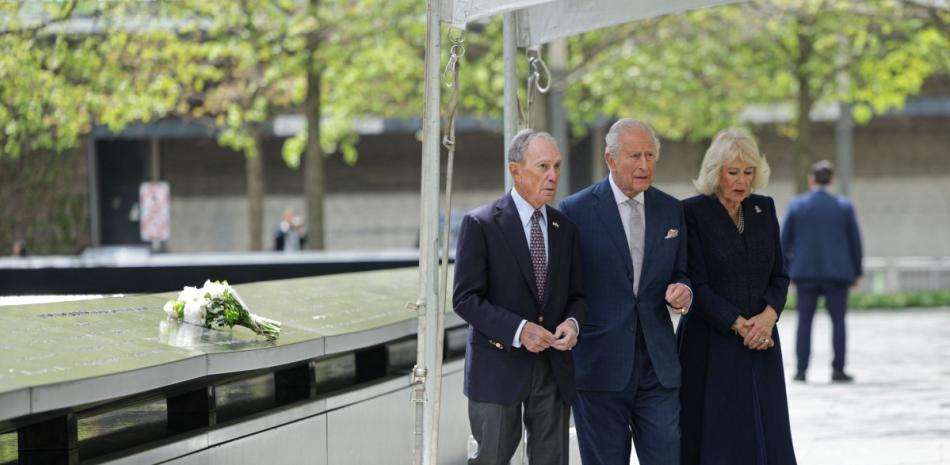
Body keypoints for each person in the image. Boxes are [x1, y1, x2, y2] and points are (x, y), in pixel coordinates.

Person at [559, 119, 691, 465]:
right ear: (611, 159)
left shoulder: (672, 209)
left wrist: (684, 290)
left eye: (650, 155)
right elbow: (566, 287)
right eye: (635, 156)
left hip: (657, 367)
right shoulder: (575, 211)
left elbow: (682, 272)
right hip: (599, 366)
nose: (644, 164)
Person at [453, 129, 586, 465]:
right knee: (492, 459)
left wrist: (572, 324)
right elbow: (465, 298)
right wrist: (519, 329)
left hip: (552, 368)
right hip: (497, 367)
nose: (553, 175)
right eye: (543, 166)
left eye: (557, 165)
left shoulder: (565, 229)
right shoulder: (481, 223)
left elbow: (578, 295)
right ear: (515, 170)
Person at [677, 127, 796, 465]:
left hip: (762, 341)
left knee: (766, 431)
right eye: (733, 172)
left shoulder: (763, 208)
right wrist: (740, 325)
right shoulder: (692, 212)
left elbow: (780, 275)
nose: (742, 181)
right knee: (720, 436)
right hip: (712, 343)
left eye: (748, 172)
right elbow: (697, 284)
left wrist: (767, 319)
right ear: (716, 172)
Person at [781, 160, 863, 383]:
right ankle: (838, 369)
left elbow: (784, 241)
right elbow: (854, 241)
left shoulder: (797, 205)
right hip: (837, 274)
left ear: (811, 180)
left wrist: (785, 271)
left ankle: (801, 370)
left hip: (804, 273)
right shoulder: (844, 206)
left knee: (804, 322)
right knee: (838, 322)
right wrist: (856, 272)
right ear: (832, 180)